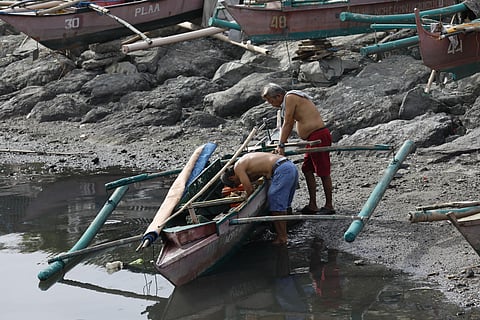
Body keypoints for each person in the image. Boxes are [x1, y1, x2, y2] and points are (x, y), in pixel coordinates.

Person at [261, 83, 335, 215]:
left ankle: (329, 206)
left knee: (323, 172)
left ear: (278, 96)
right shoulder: (288, 101)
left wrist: (281, 144)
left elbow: (288, 122)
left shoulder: (290, 97)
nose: (271, 104)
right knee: (307, 169)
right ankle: (313, 204)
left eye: (271, 101)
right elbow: (285, 125)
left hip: (318, 136)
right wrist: (281, 141)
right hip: (311, 139)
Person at [221, 152, 298, 244]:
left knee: (276, 204)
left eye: (236, 184)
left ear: (232, 178)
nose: (239, 184)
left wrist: (242, 203)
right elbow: (254, 181)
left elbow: (249, 190)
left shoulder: (238, 167)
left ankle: (282, 238)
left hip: (282, 170)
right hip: (289, 166)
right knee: (281, 205)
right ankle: (284, 232)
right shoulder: (245, 160)